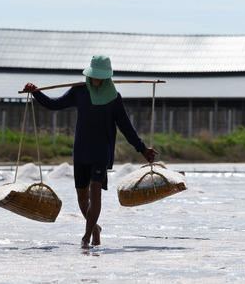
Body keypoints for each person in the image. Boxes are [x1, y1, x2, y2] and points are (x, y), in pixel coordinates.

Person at [23, 54, 158, 248]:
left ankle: (86, 237)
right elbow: (54, 104)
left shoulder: (114, 98)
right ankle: (95, 229)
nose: (96, 78)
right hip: (81, 150)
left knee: (95, 189)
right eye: (94, 74)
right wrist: (35, 92)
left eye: (100, 75)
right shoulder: (79, 91)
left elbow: (126, 127)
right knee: (81, 195)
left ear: (106, 76)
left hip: (101, 150)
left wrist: (143, 149)